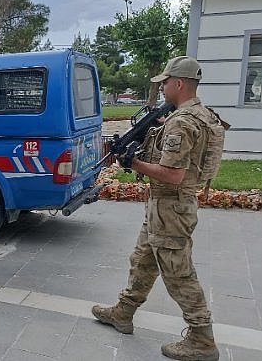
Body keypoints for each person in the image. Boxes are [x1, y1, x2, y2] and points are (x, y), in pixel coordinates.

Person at [92, 56, 227, 361]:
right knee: (143, 259)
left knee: (179, 274)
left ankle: (202, 339)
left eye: (164, 82)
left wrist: (133, 163)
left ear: (178, 84)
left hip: (171, 208)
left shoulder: (182, 122)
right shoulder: (197, 115)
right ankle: (123, 312)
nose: (162, 87)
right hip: (166, 207)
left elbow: (174, 174)